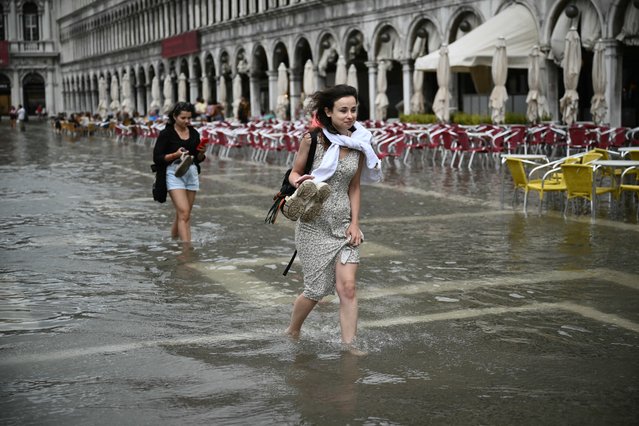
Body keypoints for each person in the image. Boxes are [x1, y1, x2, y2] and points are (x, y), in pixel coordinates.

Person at [284, 85, 382, 353]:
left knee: (348, 288)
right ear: (328, 111)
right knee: (316, 290)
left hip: (343, 224)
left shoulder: (361, 142)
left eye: (353, 110)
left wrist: (355, 223)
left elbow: (354, 187)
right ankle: (293, 330)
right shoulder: (313, 139)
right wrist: (300, 181)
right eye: (343, 110)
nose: (350, 116)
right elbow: (293, 173)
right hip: (313, 223)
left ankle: (349, 346)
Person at [152, 102, 207, 243]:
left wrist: (201, 153)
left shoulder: (194, 133)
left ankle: (173, 241)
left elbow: (198, 158)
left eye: (189, 118)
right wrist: (175, 155)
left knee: (183, 214)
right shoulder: (166, 134)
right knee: (184, 212)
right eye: (183, 118)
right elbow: (157, 157)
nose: (187, 121)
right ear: (174, 117)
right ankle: (186, 249)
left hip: (191, 172)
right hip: (173, 172)